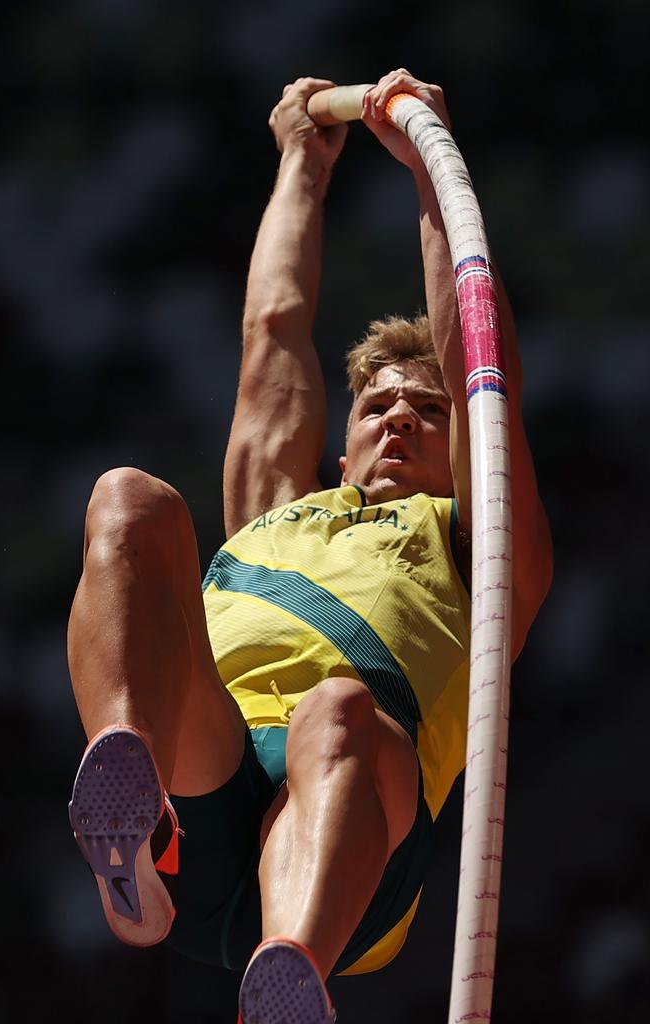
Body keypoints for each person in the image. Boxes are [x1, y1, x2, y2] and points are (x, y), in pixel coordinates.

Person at [67, 69, 552, 1024]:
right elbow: (273, 330)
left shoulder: (481, 545)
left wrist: (427, 169)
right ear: (344, 440)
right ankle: (127, 815)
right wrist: (302, 163)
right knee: (129, 502)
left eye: (428, 410)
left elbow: (475, 362)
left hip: (348, 843)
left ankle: (288, 977)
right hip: (207, 792)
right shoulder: (280, 510)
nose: (402, 421)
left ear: (462, 443)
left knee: (340, 708)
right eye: (379, 406)